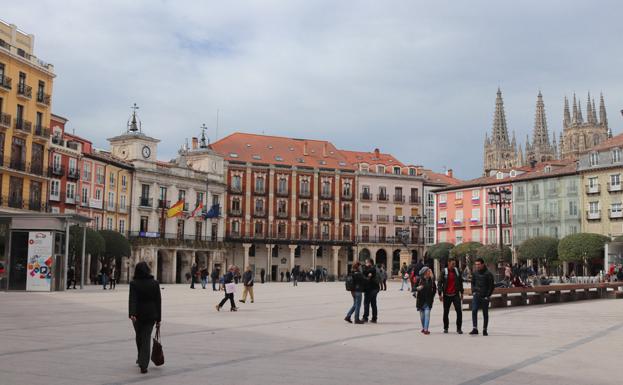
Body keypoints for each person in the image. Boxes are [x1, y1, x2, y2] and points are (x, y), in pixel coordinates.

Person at [128, 261, 161, 374]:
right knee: (145, 337)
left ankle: (142, 362)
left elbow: (132, 299)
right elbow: (158, 302)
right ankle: (142, 360)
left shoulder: (134, 283)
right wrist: (159, 318)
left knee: (140, 337)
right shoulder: (155, 283)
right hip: (151, 314)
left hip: (137, 315)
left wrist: (131, 313)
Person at [438, 257, 463, 334]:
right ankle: (446, 327)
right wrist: (440, 293)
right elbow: (439, 283)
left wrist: (462, 292)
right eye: (452, 264)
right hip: (446, 295)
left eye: (454, 264)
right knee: (446, 312)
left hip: (455, 295)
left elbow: (460, 282)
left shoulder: (457, 271)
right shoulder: (444, 271)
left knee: (459, 311)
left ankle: (459, 328)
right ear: (448, 263)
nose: (454, 265)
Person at [470, 258, 495, 336]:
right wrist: (473, 291)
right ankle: (475, 328)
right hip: (476, 295)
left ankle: (484, 329)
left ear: (483, 264)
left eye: (478, 264)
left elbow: (491, 286)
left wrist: (487, 296)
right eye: (476, 264)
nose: (477, 266)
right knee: (474, 310)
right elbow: (472, 283)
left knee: (485, 313)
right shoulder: (475, 273)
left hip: (484, 296)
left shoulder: (488, 274)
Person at [416, 266, 436, 335]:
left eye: (429, 272)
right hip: (421, 301)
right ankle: (424, 327)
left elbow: (434, 290)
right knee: (422, 317)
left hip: (428, 300)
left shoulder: (432, 280)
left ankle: (426, 329)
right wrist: (417, 288)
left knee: (427, 315)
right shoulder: (419, 280)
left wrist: (432, 297)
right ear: (424, 272)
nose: (429, 273)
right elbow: (413, 288)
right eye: (428, 271)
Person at [362, 259, 380, 323]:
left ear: (370, 263)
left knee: (366, 303)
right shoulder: (376, 268)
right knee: (373, 303)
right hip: (375, 288)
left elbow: (364, 272)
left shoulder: (372, 269)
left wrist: (366, 267)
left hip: (370, 289)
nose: (365, 264)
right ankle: (374, 318)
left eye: (366, 262)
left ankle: (365, 317)